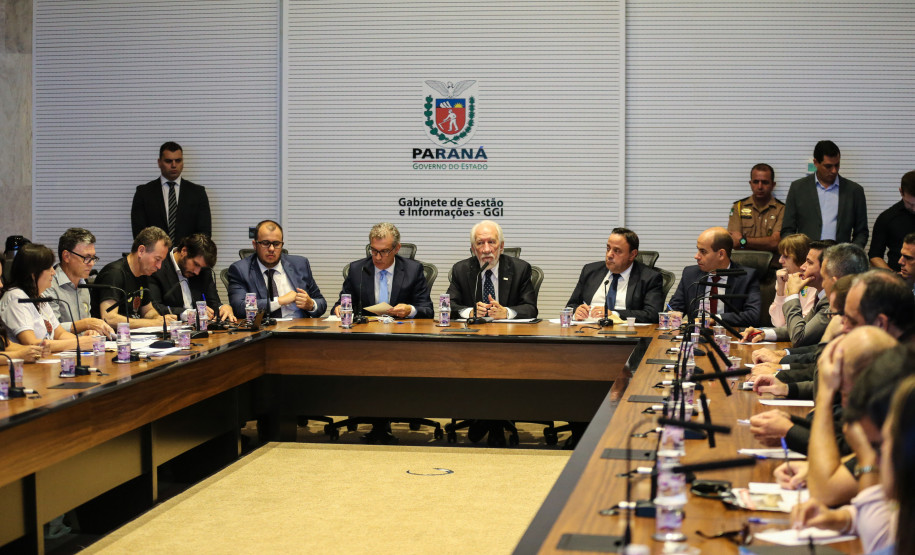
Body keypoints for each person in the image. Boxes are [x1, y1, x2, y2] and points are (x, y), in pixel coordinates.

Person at [742, 242, 866, 347]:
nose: (802, 267)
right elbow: (802, 327)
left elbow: (799, 337)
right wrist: (764, 333)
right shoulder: (822, 298)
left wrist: (792, 295)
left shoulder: (832, 302)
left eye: (809, 262)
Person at [0, 243, 99, 352]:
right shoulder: (16, 297)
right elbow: (31, 343)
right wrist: (78, 343)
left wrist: (86, 340)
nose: (53, 272)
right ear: (33, 273)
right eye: (48, 268)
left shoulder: (39, 296)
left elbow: (60, 334)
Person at [227, 220, 326, 319]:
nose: (271, 249)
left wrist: (311, 305)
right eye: (265, 243)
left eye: (276, 244)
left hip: (299, 329)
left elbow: (321, 302)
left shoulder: (300, 264)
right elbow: (239, 308)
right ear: (255, 245)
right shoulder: (240, 270)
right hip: (264, 331)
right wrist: (279, 301)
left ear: (282, 244)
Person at [332, 223, 432, 319]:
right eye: (374, 250)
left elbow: (427, 310)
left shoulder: (413, 270)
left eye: (384, 251)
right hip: (366, 331)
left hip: (402, 330)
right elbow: (340, 305)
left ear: (397, 248)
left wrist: (410, 310)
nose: (378, 257)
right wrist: (340, 308)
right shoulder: (357, 269)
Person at [564, 227, 664, 323]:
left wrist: (614, 314)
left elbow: (653, 315)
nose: (609, 255)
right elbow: (570, 306)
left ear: (632, 254)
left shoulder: (649, 278)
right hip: (588, 333)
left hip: (627, 335)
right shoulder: (590, 271)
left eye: (617, 251)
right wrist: (576, 311)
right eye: (608, 248)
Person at [667, 226, 761, 327]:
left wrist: (715, 319)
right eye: (698, 250)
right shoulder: (690, 274)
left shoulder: (746, 277)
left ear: (721, 254)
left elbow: (753, 316)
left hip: (730, 337)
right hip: (696, 337)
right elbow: (673, 308)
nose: (696, 256)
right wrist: (672, 314)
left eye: (703, 252)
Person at [781, 140, 868, 248]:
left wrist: (851, 253)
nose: (834, 171)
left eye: (837, 165)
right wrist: (796, 252)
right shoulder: (798, 188)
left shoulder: (854, 191)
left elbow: (861, 232)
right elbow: (788, 230)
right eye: (828, 166)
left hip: (840, 259)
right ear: (816, 162)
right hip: (805, 257)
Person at [446, 220, 537, 320]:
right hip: (473, 332)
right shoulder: (461, 270)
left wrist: (506, 313)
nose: (486, 250)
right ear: (473, 249)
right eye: (480, 243)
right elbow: (448, 305)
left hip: (509, 333)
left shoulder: (520, 269)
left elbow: (530, 309)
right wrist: (471, 312)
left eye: (491, 242)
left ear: (501, 246)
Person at [92, 226, 176, 328]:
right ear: (141, 251)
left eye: (161, 261)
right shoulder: (114, 273)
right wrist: (154, 323)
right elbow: (109, 318)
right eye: (157, 259)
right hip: (111, 340)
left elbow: (148, 310)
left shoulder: (142, 273)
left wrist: (158, 318)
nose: (159, 266)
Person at [131, 141, 212, 244]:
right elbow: (139, 233)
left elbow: (205, 233)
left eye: (178, 160)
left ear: (183, 162)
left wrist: (185, 253)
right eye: (168, 161)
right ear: (159, 162)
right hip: (154, 257)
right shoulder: (143, 193)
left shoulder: (198, 193)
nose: (174, 165)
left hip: (187, 256)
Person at [148, 233, 236, 323]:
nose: (197, 272)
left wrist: (223, 307)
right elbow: (154, 307)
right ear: (184, 251)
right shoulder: (157, 267)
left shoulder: (203, 271)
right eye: (196, 264)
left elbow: (213, 302)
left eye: (201, 267)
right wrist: (187, 314)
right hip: (173, 329)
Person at [46, 228, 113, 337]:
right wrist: (86, 324)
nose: (91, 264)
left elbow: (86, 329)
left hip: (83, 349)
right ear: (66, 256)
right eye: (86, 258)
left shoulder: (83, 285)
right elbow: (49, 329)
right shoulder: (49, 285)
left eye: (93, 258)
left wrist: (92, 331)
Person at [727, 163, 784, 254]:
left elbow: (775, 243)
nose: (760, 187)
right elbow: (734, 242)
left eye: (765, 182)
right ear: (750, 183)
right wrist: (765, 243)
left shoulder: (782, 209)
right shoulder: (738, 207)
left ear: (773, 185)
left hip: (771, 266)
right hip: (742, 264)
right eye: (756, 182)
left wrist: (743, 241)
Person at [869, 170, 915, 271]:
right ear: (901, 192)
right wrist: (893, 277)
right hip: (899, 278)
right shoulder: (887, 218)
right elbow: (874, 256)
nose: (914, 208)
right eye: (910, 204)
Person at [769, 234, 817, 326]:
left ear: (801, 257)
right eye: (781, 255)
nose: (780, 260)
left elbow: (802, 325)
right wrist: (780, 290)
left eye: (786, 256)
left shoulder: (814, 284)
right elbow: (778, 324)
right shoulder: (784, 280)